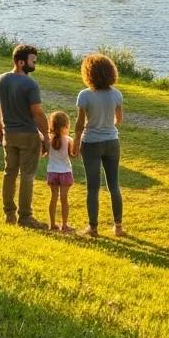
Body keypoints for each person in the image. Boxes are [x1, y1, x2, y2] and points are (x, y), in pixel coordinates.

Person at [0, 43, 49, 229]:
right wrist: (46, 137)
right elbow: (37, 113)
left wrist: (0, 127)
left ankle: (9, 213)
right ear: (21, 62)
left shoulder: (0, 80)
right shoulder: (30, 84)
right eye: (33, 61)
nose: (35, 64)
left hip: (10, 133)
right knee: (27, 175)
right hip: (28, 135)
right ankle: (25, 217)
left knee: (9, 173)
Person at [72, 53, 125, 237]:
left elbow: (79, 124)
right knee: (114, 186)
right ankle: (118, 227)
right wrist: (107, 124)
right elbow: (119, 119)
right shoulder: (117, 94)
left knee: (93, 187)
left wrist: (76, 141)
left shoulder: (85, 95)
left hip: (91, 142)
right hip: (112, 141)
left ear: (88, 73)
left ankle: (93, 227)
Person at [45, 110, 75, 232]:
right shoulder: (68, 140)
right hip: (65, 172)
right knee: (64, 199)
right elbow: (72, 154)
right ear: (66, 126)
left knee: (53, 198)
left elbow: (44, 153)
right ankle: (64, 225)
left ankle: (52, 224)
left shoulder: (48, 139)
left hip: (52, 172)